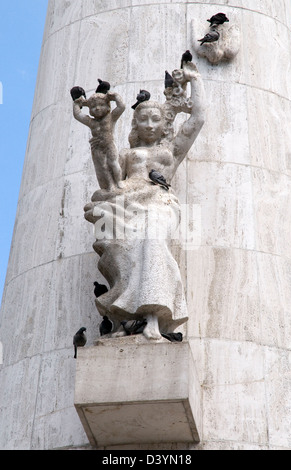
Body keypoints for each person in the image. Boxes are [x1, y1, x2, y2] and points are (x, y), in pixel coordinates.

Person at [84, 61, 206, 340]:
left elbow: (197, 119)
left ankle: (154, 317)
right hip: (126, 203)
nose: (150, 125)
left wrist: (195, 79)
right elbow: (109, 180)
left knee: (152, 243)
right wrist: (100, 140)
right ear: (135, 123)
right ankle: (126, 318)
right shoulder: (128, 154)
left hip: (158, 204)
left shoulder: (170, 151)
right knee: (121, 251)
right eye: (144, 119)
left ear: (165, 124)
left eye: (156, 120)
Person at [73, 91, 125, 190]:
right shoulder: (91, 122)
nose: (97, 108)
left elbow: (121, 107)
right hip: (97, 148)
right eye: (93, 106)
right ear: (90, 110)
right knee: (103, 167)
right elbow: (78, 115)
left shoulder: (111, 118)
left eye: (101, 105)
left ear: (107, 106)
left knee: (114, 163)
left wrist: (116, 96)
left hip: (109, 145)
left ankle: (119, 181)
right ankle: (110, 185)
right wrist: (76, 104)